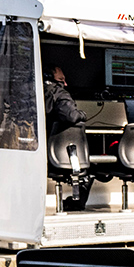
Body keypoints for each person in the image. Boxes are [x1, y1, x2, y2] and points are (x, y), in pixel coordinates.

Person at [44, 65, 92, 210]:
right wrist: (83, 115)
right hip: (60, 157)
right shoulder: (58, 93)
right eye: (61, 80)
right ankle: (77, 203)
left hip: (39, 153)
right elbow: (70, 116)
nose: (65, 84)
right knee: (92, 165)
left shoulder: (33, 92)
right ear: (49, 79)